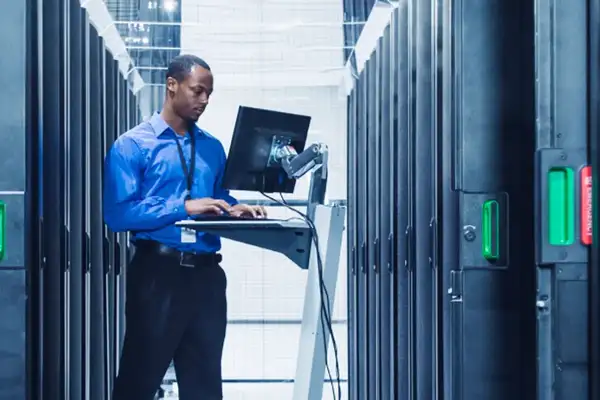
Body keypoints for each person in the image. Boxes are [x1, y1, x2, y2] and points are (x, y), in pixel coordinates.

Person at [103, 54, 266, 400]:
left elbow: (217, 195)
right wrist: (183, 206)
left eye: (209, 93)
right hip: (157, 274)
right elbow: (118, 215)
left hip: (207, 278)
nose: (204, 100)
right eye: (197, 91)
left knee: (205, 383)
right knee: (139, 378)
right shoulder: (132, 145)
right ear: (172, 85)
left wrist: (236, 209)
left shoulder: (211, 147)